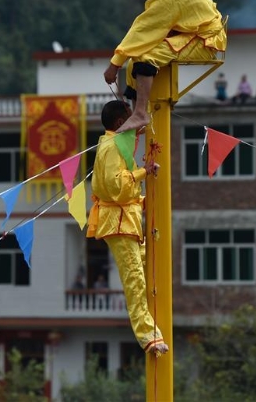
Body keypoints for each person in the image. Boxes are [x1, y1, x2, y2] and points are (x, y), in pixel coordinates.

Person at [105, 0, 227, 133]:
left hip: (206, 39)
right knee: (133, 63)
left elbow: (142, 29)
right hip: (190, 31)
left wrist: (115, 63)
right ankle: (138, 116)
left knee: (146, 58)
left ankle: (140, 115)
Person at [86, 100, 168, 356]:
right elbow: (117, 188)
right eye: (132, 119)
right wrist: (144, 173)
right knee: (135, 280)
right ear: (121, 123)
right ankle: (149, 338)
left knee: (149, 269)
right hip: (118, 222)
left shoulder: (116, 144)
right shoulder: (111, 147)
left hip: (127, 219)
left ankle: (153, 323)